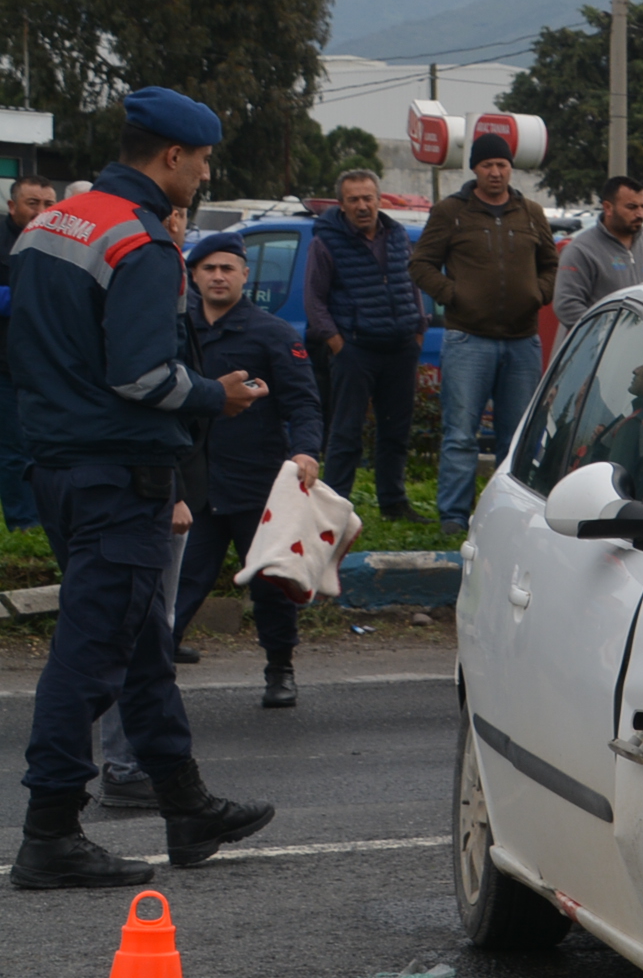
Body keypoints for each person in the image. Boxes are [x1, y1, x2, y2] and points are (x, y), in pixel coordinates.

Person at [6, 84, 274, 886]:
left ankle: (186, 805)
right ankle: (50, 830)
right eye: (200, 162)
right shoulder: (143, 244)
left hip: (57, 463)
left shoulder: (57, 220)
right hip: (118, 472)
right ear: (170, 158)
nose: (202, 175)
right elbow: (142, 377)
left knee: (142, 644)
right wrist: (215, 394)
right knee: (91, 657)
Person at [174, 229, 323, 708]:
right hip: (191, 484)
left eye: (227, 268)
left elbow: (303, 403)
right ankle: (150, 670)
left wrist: (305, 451)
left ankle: (280, 669)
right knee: (177, 584)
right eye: (208, 268)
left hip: (256, 484)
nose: (218, 277)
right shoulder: (176, 329)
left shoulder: (272, 333)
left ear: (245, 274)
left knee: (270, 584)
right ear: (193, 276)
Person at [411, 131, 556, 535]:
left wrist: (538, 294)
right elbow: (421, 264)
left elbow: (551, 264)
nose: (495, 172)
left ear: (511, 168)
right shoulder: (450, 212)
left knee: (517, 438)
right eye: (488, 165)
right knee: (460, 435)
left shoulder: (531, 213)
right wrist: (454, 296)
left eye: (502, 165)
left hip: (522, 341)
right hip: (467, 339)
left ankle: (511, 517)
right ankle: (454, 517)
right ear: (474, 168)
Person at [304, 168, 422, 519]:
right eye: (353, 199)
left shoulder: (398, 235)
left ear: (379, 199)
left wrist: (419, 328)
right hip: (355, 350)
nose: (362, 205)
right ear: (341, 205)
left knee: (395, 431)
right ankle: (334, 509)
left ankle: (394, 503)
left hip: (401, 347)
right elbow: (314, 300)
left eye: (368, 198)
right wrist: (338, 344)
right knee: (345, 434)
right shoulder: (325, 241)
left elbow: (410, 284)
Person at [0, 175, 53, 530]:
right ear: (12, 205)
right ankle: (24, 524)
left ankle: (46, 518)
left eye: (50, 204)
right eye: (33, 203)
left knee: (43, 447)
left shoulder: (61, 239)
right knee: (14, 450)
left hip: (47, 365)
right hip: (5, 366)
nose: (43, 211)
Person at [553, 175, 643, 334]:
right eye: (632, 207)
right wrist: (607, 336)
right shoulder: (580, 250)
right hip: (598, 352)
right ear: (608, 208)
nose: (640, 214)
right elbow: (567, 306)